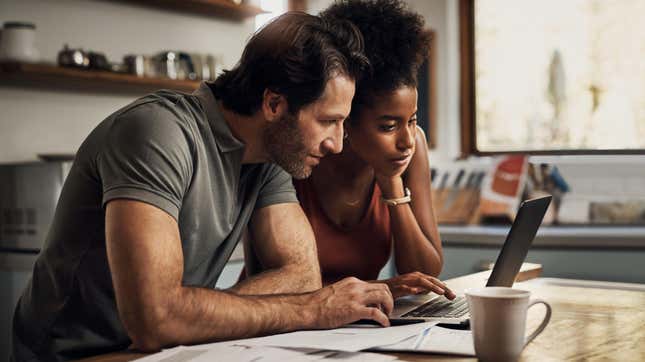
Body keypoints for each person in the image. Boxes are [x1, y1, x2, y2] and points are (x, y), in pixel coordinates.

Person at [11, 13, 395, 362]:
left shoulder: (271, 156)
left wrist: (193, 314)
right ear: (274, 104)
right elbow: (156, 320)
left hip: (166, 350)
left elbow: (301, 276)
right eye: (328, 121)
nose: (338, 144)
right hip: (73, 356)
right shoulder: (157, 133)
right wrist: (310, 309)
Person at [244, 0, 456, 301]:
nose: (407, 139)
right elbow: (268, 280)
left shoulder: (410, 150)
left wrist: (391, 183)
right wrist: (379, 288)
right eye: (388, 126)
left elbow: (426, 273)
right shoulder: (295, 153)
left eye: (412, 120)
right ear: (345, 120)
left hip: (354, 327)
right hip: (277, 324)